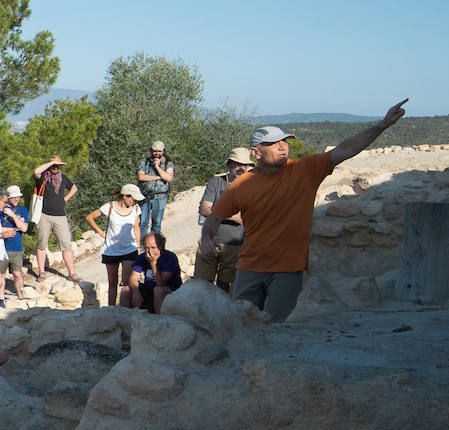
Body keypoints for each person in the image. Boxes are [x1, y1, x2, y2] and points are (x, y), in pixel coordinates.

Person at [202, 100, 408, 322]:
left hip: (288, 267)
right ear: (256, 152)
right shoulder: (241, 185)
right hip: (250, 267)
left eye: (284, 141)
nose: (282, 146)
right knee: (242, 323)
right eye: (273, 143)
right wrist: (207, 237)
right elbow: (214, 217)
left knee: (279, 326)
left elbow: (346, 149)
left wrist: (383, 124)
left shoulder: (305, 170)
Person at [194, 148, 254, 292]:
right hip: (211, 240)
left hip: (236, 244)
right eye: (238, 164)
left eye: (245, 165)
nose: (242, 168)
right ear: (229, 164)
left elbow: (249, 218)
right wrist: (231, 214)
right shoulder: (216, 182)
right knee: (202, 283)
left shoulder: (252, 186)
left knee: (226, 286)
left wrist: (217, 211)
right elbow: (204, 209)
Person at [84, 184, 144, 307]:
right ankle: (111, 309)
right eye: (133, 198)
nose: (134, 201)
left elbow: (136, 228)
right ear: (125, 196)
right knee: (112, 283)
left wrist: (138, 247)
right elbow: (89, 217)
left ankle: (126, 307)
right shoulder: (109, 207)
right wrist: (101, 232)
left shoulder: (136, 209)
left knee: (127, 282)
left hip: (130, 248)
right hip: (111, 250)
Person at [32, 156, 79, 281]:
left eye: (58, 165)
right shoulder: (43, 177)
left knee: (66, 245)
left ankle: (72, 273)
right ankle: (42, 272)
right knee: (41, 244)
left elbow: (74, 188)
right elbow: (36, 171)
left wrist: (65, 199)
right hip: (44, 215)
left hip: (60, 216)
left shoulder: (63, 178)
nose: (56, 167)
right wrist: (51, 162)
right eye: (54, 165)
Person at [122, 232, 182, 313]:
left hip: (169, 290)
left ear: (160, 246)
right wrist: (136, 292)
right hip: (149, 289)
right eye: (147, 248)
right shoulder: (142, 257)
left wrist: (153, 263)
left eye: (153, 247)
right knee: (126, 290)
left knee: (158, 290)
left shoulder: (169, 257)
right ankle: (124, 318)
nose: (150, 251)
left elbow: (161, 282)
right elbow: (133, 279)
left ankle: (159, 320)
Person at [136, 140, 175, 234]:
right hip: (145, 196)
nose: (157, 153)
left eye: (159, 151)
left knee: (156, 224)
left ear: (163, 151)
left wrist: (157, 167)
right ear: (151, 151)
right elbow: (141, 177)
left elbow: (168, 178)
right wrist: (158, 177)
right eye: (155, 151)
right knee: (143, 223)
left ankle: (155, 245)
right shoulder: (144, 162)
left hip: (160, 197)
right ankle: (141, 245)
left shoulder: (168, 163)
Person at [1, 186, 31, 300]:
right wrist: (14, 227)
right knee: (1, 275)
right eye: (13, 197)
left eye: (18, 197)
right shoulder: (0, 210)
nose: (16, 199)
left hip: (16, 248)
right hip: (2, 248)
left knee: (17, 274)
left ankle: (21, 296)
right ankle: (1, 298)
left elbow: (24, 228)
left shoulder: (23, 210)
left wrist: (12, 215)